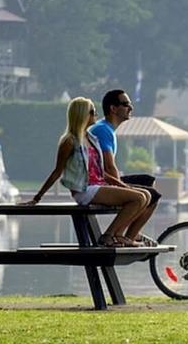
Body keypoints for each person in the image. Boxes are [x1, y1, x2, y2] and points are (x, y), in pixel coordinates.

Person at [24, 97, 149, 247]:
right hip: (85, 190)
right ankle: (109, 235)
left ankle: (118, 235)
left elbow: (100, 172)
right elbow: (57, 171)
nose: (96, 115)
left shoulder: (92, 139)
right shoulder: (69, 141)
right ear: (83, 114)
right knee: (138, 198)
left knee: (146, 196)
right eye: (92, 112)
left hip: (98, 185)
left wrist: (122, 185)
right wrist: (37, 198)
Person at [89, 89, 160, 246]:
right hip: (100, 181)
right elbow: (109, 167)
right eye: (126, 104)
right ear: (113, 109)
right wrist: (124, 187)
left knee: (148, 181)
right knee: (153, 195)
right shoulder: (103, 130)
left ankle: (131, 234)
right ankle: (122, 234)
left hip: (104, 178)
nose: (131, 108)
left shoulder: (106, 128)